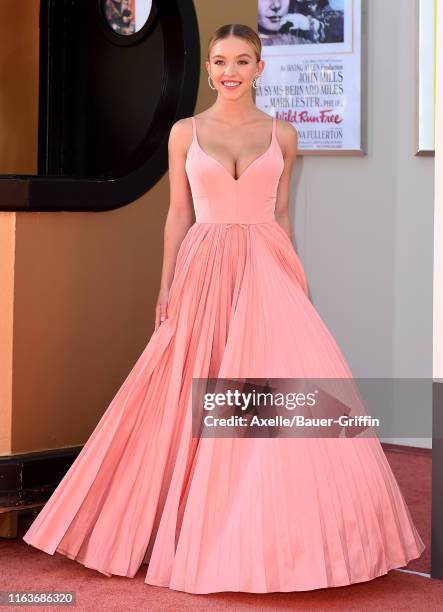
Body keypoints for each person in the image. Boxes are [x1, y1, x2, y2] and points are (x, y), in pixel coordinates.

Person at [22, 23, 425, 594]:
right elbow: (177, 214)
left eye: (241, 61)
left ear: (261, 68)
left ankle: (276, 535)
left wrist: (296, 275)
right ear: (208, 69)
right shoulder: (184, 132)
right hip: (205, 265)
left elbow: (282, 212)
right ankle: (192, 526)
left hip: (267, 267)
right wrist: (165, 286)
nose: (229, 72)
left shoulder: (283, 135)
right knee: (194, 386)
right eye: (219, 62)